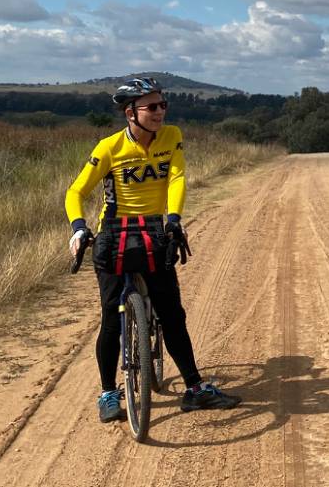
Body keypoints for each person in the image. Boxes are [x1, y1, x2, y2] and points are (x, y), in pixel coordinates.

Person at [65, 77, 241, 422]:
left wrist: (174, 218)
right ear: (130, 112)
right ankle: (107, 393)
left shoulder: (171, 137)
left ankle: (194, 389)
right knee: (111, 321)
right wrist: (78, 227)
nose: (160, 112)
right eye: (152, 107)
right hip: (114, 234)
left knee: (172, 314)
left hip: (153, 230)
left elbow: (176, 177)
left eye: (163, 105)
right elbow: (75, 192)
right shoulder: (109, 148)